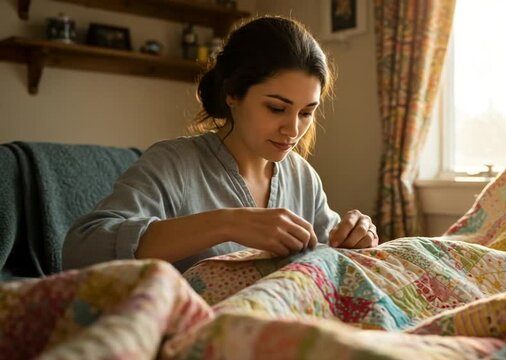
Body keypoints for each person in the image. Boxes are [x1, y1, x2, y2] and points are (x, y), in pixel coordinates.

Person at [63, 16, 379, 272]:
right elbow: (82, 249)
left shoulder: (302, 177)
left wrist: (358, 235)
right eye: (276, 108)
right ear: (233, 95)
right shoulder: (174, 163)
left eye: (307, 112)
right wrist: (226, 223)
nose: (293, 129)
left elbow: (335, 259)